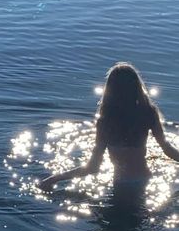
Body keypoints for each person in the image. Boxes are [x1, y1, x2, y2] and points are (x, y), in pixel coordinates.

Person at [39, 62, 179, 192]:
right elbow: (167, 149)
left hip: (121, 184)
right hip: (145, 180)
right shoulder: (148, 112)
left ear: (110, 90)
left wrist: (54, 178)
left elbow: (92, 167)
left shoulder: (106, 121)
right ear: (137, 86)